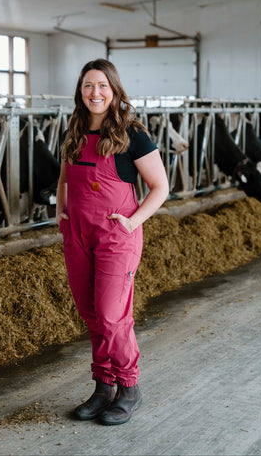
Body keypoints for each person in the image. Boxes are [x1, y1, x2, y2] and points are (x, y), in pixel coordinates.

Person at [56, 58, 169, 426]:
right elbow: (63, 179)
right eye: (89, 85)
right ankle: (103, 386)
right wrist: (61, 211)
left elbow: (160, 187)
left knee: (111, 315)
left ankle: (129, 387)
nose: (95, 92)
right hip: (78, 234)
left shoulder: (131, 133)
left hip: (115, 236)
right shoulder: (73, 129)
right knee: (91, 314)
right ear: (80, 91)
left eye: (102, 85)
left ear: (114, 89)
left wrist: (132, 222)